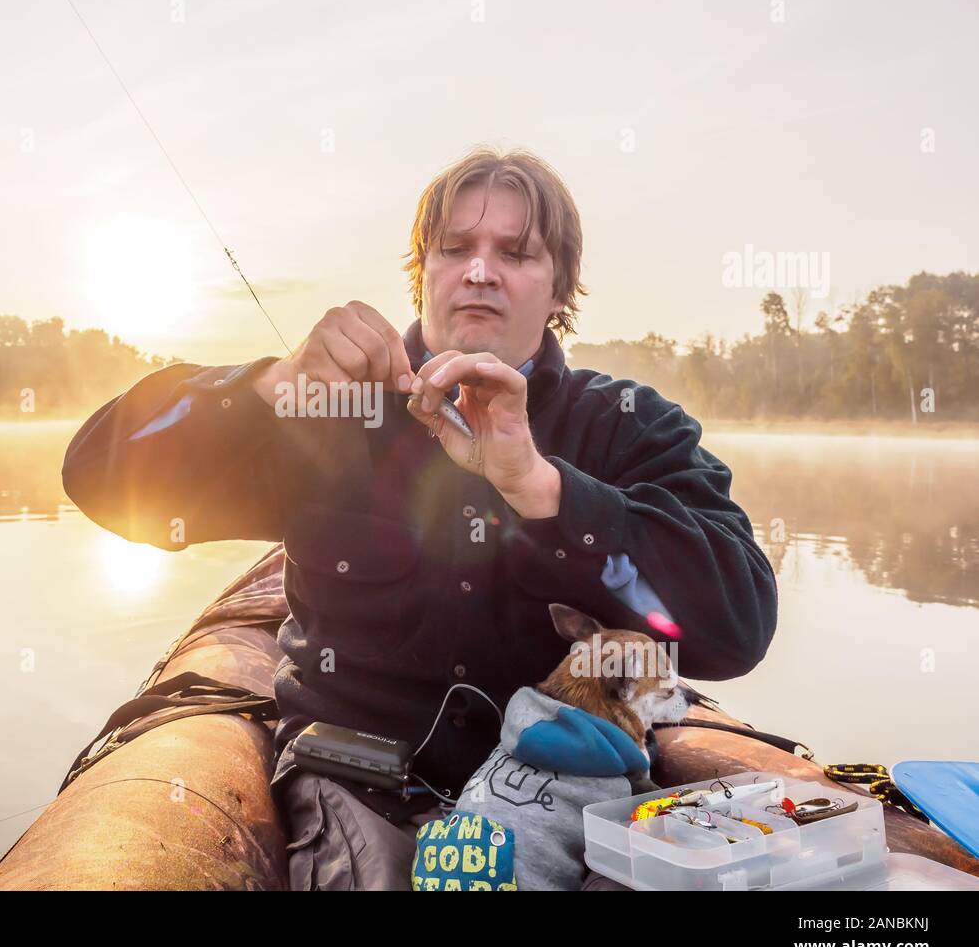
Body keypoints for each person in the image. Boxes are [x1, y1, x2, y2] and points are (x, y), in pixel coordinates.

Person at [62, 146, 778, 890]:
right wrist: (270, 385)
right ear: (423, 271)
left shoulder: (629, 427)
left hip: (565, 801)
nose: (479, 270)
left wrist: (540, 487)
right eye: (456, 247)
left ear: (560, 287)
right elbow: (96, 475)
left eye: (516, 252)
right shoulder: (333, 404)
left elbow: (739, 624)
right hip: (355, 796)